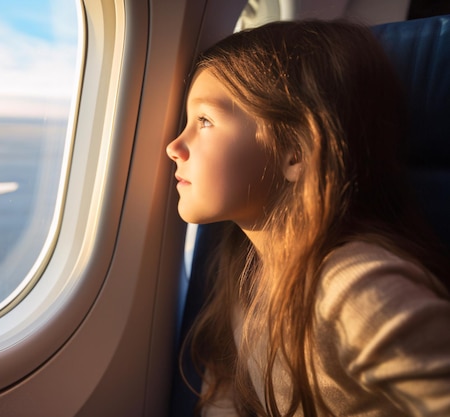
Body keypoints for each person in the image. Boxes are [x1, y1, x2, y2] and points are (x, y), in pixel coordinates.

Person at [166, 20, 450, 416]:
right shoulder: (245, 268)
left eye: (205, 121)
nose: (174, 146)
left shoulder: (354, 289)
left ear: (295, 153)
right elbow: (226, 389)